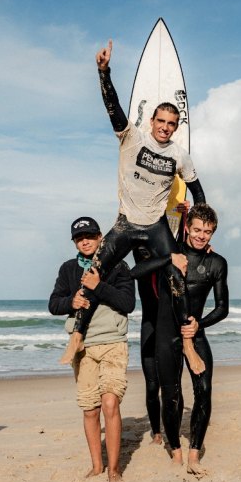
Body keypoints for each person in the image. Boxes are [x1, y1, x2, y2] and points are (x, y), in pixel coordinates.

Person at [59, 38, 206, 364]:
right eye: (161, 122)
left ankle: (187, 343)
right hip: (126, 223)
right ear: (151, 122)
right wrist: (103, 72)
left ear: (175, 127)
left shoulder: (180, 156)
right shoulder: (131, 138)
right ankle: (79, 335)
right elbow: (111, 105)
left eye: (171, 124)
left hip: (155, 226)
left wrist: (198, 231)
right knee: (94, 271)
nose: (165, 128)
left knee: (177, 275)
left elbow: (198, 194)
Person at [134, 203, 229, 476]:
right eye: (197, 229)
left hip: (194, 333)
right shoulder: (171, 253)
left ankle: (195, 453)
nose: (201, 236)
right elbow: (135, 272)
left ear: (213, 233)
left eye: (207, 232)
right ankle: (175, 449)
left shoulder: (216, 263)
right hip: (167, 334)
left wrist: (200, 324)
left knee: (205, 391)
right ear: (187, 226)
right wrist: (167, 259)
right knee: (172, 396)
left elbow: (223, 307)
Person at [48, 216, 136, 482]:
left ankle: (114, 470)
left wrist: (99, 286)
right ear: (75, 242)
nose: (84, 240)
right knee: (89, 409)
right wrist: (69, 301)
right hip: (83, 347)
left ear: (101, 238)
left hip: (112, 342)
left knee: (110, 402)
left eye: (89, 235)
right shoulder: (68, 269)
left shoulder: (119, 266)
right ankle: (97, 466)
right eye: (79, 237)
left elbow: (127, 303)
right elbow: (53, 304)